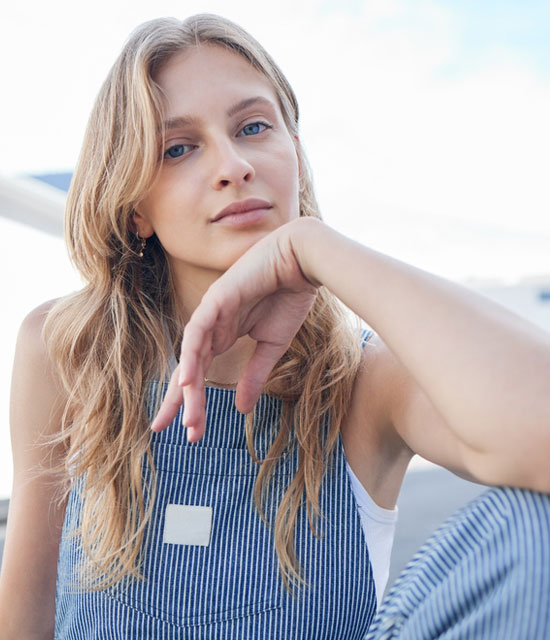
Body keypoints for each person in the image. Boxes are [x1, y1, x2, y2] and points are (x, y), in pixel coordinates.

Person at [1, 13, 549, 640]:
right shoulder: (64, 348)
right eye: (178, 147)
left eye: (253, 127)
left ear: (294, 154)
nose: (233, 165)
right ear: (135, 211)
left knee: (535, 526)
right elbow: (25, 617)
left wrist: (317, 252)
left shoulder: (366, 380)